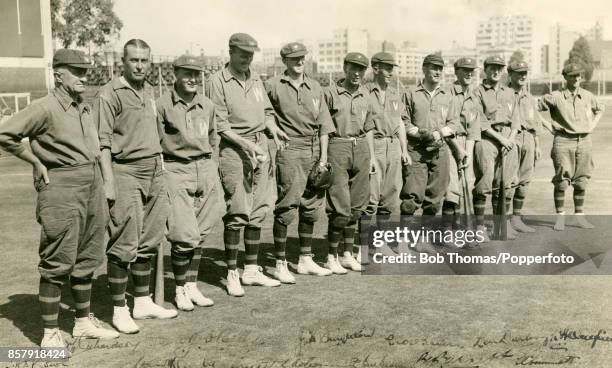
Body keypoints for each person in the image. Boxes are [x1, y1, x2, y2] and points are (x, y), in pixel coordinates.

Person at [0, 49, 119, 347]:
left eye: (85, 71)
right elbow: (5, 133)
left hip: (91, 184)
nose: (83, 76)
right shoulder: (44, 107)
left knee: (88, 256)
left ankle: (82, 322)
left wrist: (104, 182)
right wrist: (36, 162)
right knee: (57, 258)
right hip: (61, 186)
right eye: (76, 71)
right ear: (58, 75)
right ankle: (50, 332)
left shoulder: (84, 106)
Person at [96, 39, 177, 334]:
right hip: (125, 169)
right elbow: (102, 142)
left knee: (151, 238)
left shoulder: (150, 91)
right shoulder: (109, 94)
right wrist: (108, 182)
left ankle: (142, 301)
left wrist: (162, 169)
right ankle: (119, 309)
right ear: (123, 61)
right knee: (124, 241)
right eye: (135, 61)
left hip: (154, 169)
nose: (140, 66)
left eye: (145, 61)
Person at [207, 33, 289, 296]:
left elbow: (266, 112)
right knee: (238, 211)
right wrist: (248, 146)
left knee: (259, 209)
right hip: (233, 149)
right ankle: (232, 272)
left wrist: (273, 130)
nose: (247, 59)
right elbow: (220, 126)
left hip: (260, 146)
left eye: (251, 54)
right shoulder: (217, 81)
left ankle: (251, 270)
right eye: (243, 54)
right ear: (230, 52)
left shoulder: (254, 78)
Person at [156, 55, 224, 310]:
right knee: (183, 234)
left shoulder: (207, 105)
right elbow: (156, 143)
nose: (193, 79)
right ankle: (180, 289)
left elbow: (214, 139)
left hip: (205, 168)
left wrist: (212, 167)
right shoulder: (161, 105)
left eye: (197, 74)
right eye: (187, 73)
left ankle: (192, 285)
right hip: (176, 168)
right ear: (175, 73)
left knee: (201, 232)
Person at [265, 42, 334, 282]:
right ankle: (280, 263)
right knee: (287, 205)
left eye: (302, 57)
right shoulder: (273, 85)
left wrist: (324, 158)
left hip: (315, 147)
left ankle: (305, 259)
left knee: (312, 206)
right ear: (284, 60)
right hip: (290, 147)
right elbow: (265, 113)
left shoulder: (315, 86)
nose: (299, 62)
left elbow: (325, 124)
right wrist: (273, 128)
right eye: (294, 58)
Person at [324, 52, 377, 273]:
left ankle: (347, 254)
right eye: (353, 68)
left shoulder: (366, 95)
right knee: (340, 206)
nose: (357, 73)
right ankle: (330, 256)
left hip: (361, 148)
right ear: (344, 68)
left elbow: (370, 128)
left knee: (357, 206)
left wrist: (372, 156)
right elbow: (324, 129)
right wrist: (323, 158)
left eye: (361, 69)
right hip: (338, 145)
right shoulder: (331, 93)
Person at [400, 54, 458, 249]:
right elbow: (404, 121)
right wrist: (419, 133)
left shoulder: (447, 95)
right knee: (411, 197)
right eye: (433, 67)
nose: (437, 72)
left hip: (440, 150)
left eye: (440, 68)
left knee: (434, 198)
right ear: (424, 69)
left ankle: (423, 240)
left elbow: (454, 123)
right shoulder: (411, 93)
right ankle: (403, 242)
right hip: (417, 150)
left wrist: (439, 133)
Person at [538, 62, 604, 230]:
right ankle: (560, 216)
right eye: (572, 75)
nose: (576, 78)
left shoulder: (588, 95)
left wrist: (592, 126)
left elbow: (600, 109)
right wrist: (548, 126)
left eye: (578, 75)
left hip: (584, 141)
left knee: (582, 180)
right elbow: (532, 108)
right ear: (565, 77)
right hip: (563, 141)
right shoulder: (556, 96)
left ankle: (579, 216)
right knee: (561, 181)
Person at [364, 52, 410, 253]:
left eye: (393, 68)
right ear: (376, 68)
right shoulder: (365, 91)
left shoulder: (394, 94)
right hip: (374, 145)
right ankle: (364, 247)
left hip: (393, 146)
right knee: (371, 198)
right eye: (388, 68)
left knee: (390, 199)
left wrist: (404, 149)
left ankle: (381, 243)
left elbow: (400, 122)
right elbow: (364, 125)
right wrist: (371, 156)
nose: (391, 72)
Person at [472, 56, 520, 241]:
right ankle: (479, 227)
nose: (496, 71)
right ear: (485, 69)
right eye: (492, 67)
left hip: (508, 140)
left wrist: (510, 139)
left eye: (499, 68)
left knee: (505, 185)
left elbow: (516, 119)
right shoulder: (478, 92)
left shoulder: (509, 92)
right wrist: (501, 139)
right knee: (484, 184)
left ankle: (501, 225)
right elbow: (481, 122)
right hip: (488, 140)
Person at [441, 57, 480, 237]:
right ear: (456, 72)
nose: (469, 73)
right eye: (465, 70)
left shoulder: (473, 97)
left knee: (466, 185)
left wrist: (468, 154)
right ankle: (446, 230)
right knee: (452, 188)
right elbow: (442, 125)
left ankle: (458, 227)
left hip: (466, 144)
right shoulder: (447, 93)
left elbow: (473, 130)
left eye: (471, 70)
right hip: (449, 142)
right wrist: (458, 148)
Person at [507, 61, 541, 233]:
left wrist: (537, 144)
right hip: (512, 138)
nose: (523, 76)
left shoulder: (529, 97)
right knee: (509, 181)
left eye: (525, 73)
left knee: (525, 180)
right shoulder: (503, 94)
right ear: (510, 74)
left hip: (528, 138)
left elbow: (534, 122)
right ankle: (504, 221)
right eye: (519, 73)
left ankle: (516, 218)